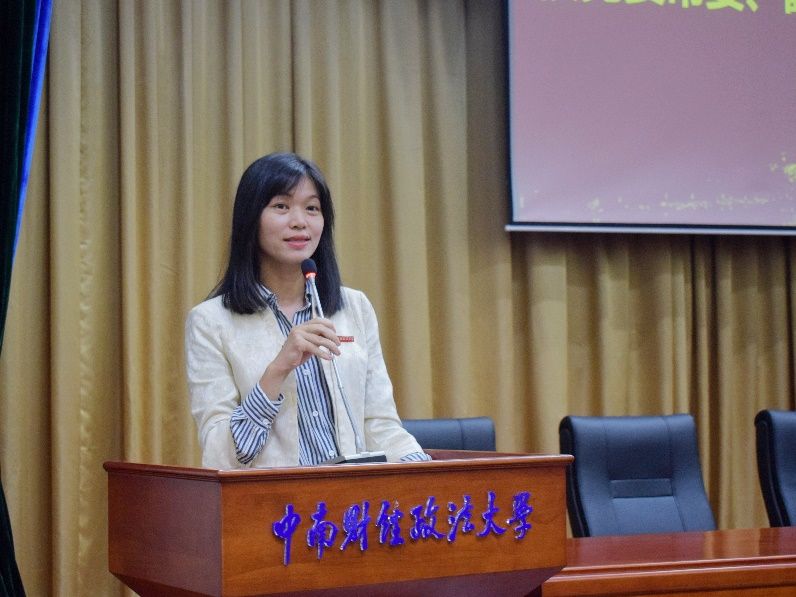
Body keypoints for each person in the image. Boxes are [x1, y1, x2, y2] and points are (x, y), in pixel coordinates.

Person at [184, 152, 428, 469]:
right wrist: (278, 369)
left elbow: (380, 425)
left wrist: (424, 472)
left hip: (352, 496)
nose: (300, 221)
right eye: (281, 206)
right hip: (274, 498)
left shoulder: (355, 307)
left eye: (312, 208)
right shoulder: (210, 322)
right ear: (250, 218)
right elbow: (222, 456)